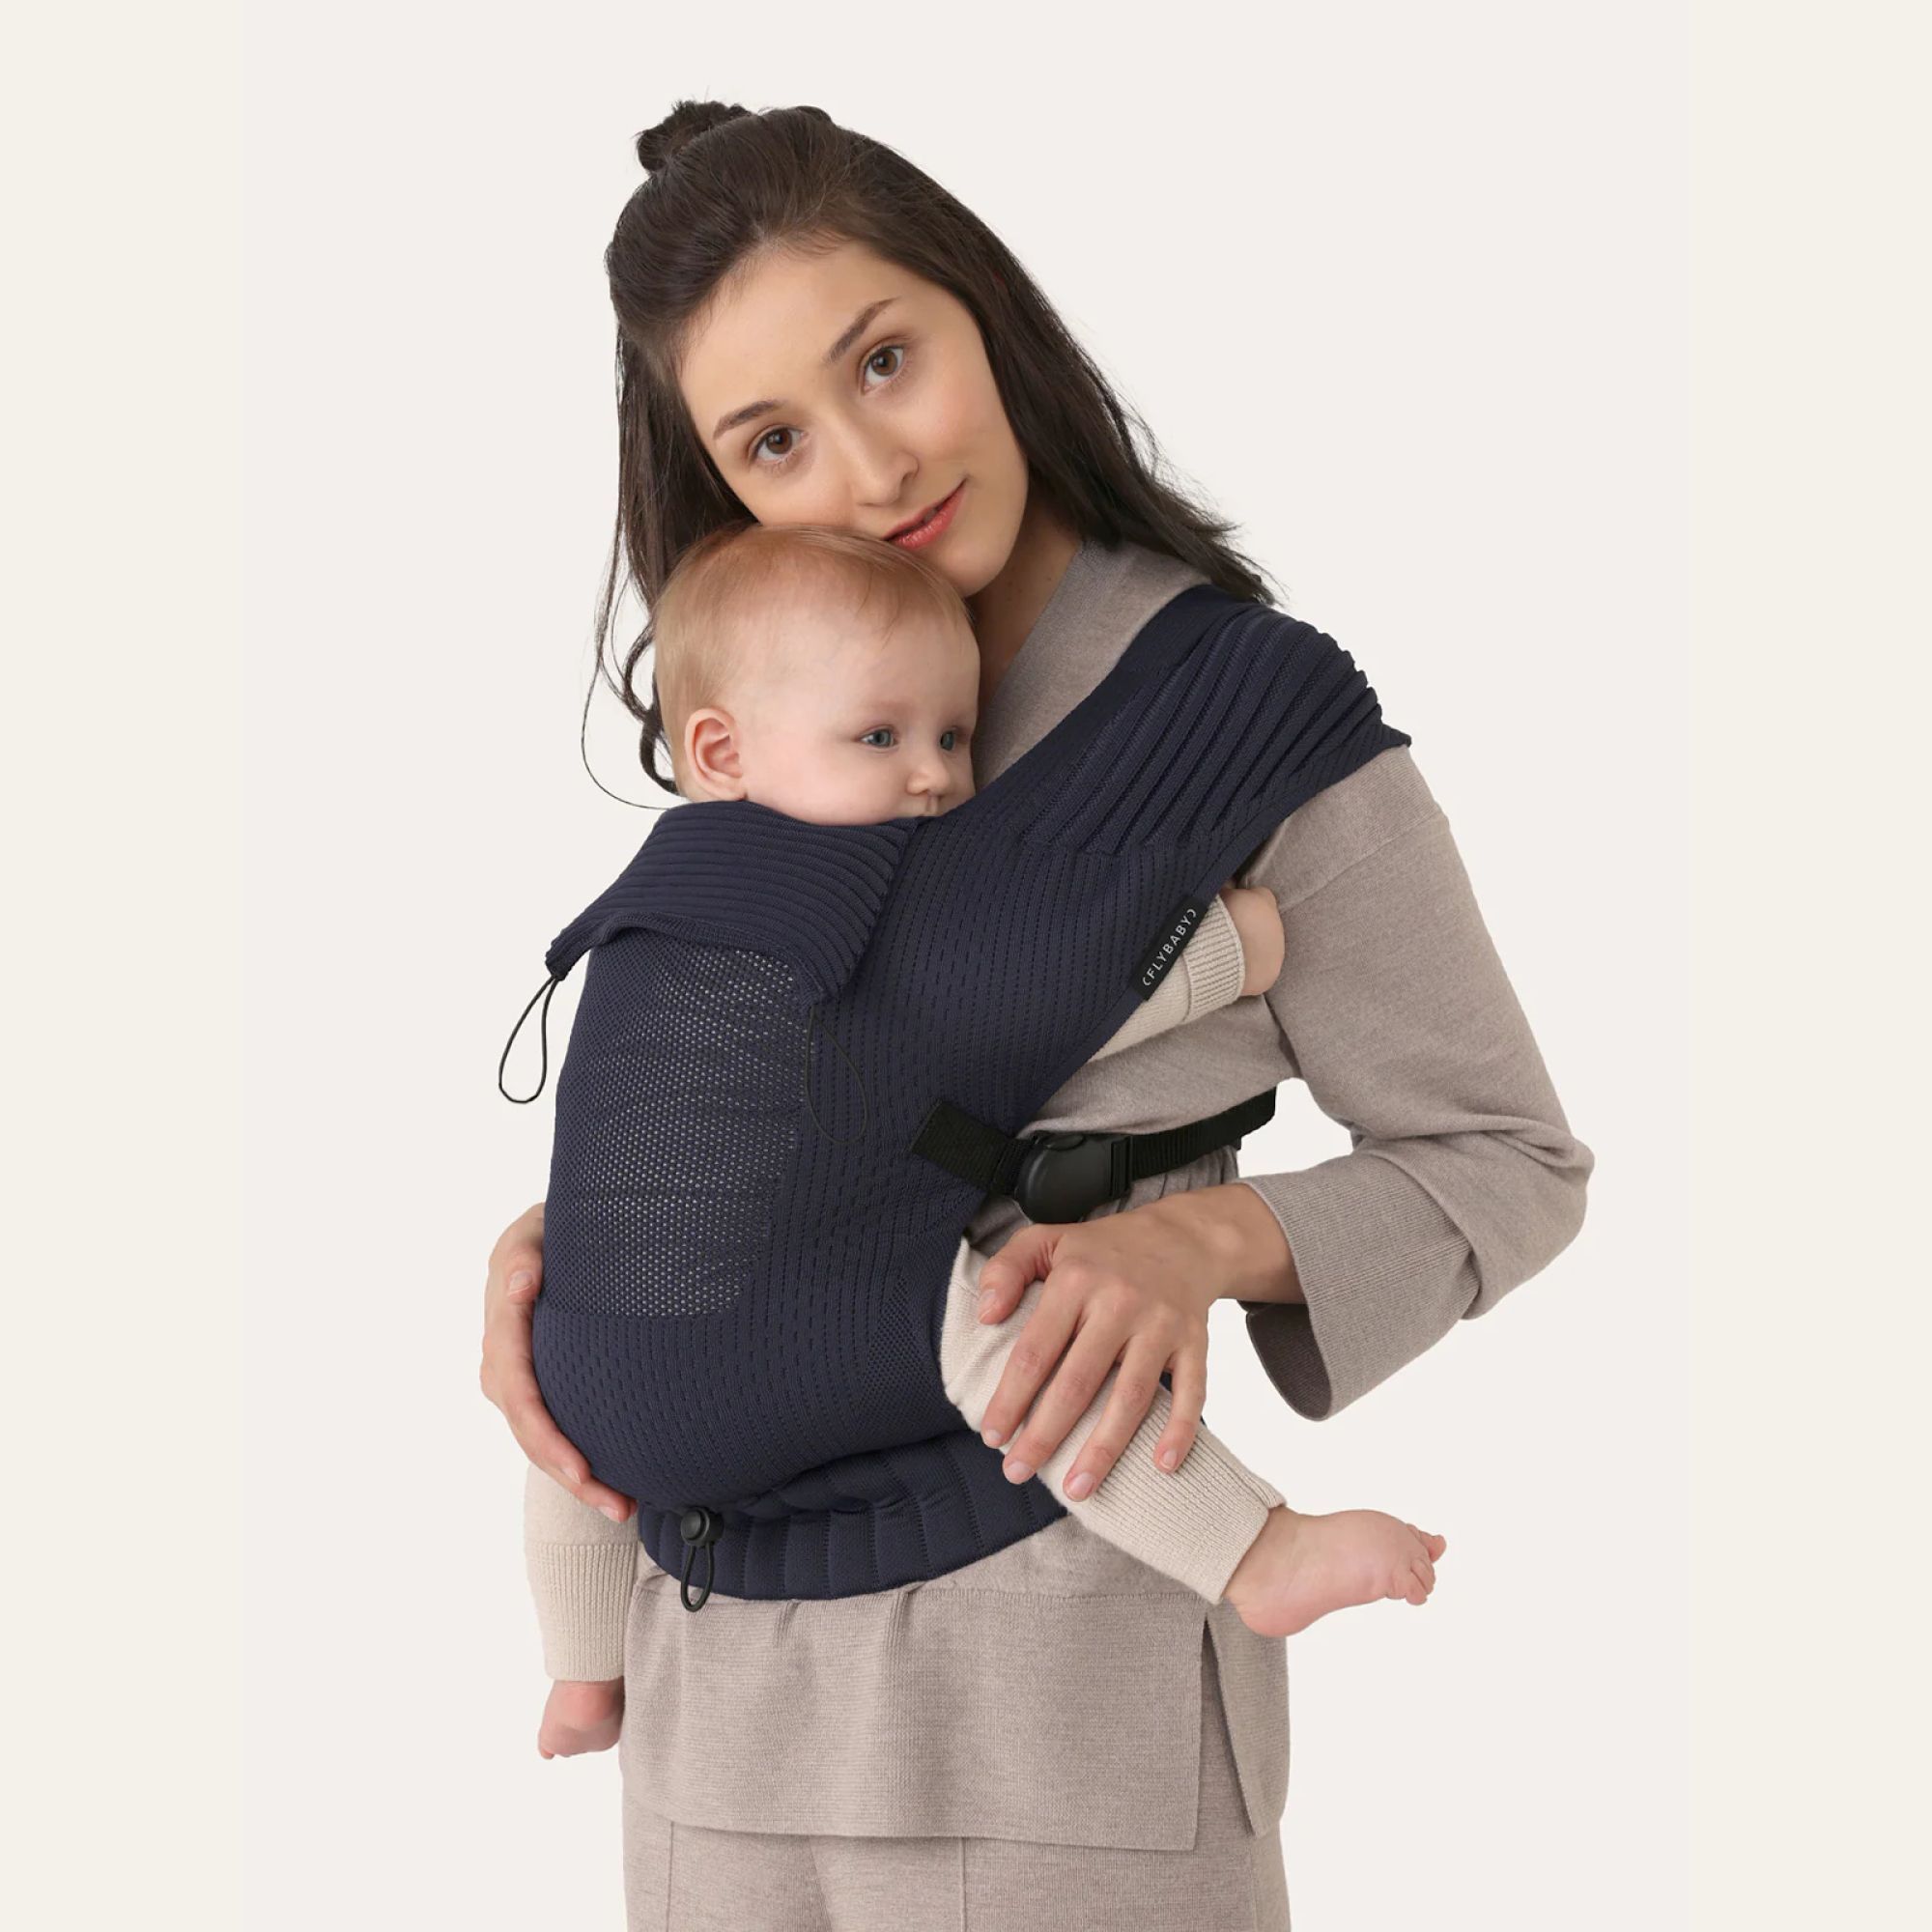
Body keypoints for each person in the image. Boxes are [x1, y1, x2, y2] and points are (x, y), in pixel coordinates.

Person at [481, 99, 1593, 1930]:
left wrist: (1203, 1243)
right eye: (775, 440)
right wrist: (585, 1255)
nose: (868, 467)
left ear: (983, 308)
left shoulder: (1244, 722)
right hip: (713, 1720)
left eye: (885, 360)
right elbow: (790, 1098)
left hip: (1061, 1692)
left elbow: (1508, 1159)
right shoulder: (774, 736)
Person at [515, 516, 1451, 1757]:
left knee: (564, 1449)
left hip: (596, 1371)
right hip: (802, 1338)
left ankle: (581, 1675)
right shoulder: (864, 903)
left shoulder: (635, 912)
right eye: (880, 737)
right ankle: (1250, 1548)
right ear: (719, 748)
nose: (932, 777)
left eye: (952, 737)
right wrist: (1237, 952)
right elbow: (1047, 1003)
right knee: (1009, 1336)